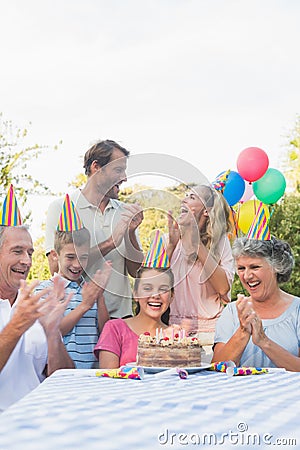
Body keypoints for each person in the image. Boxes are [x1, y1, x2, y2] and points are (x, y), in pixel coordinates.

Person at [45, 139, 144, 319]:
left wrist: (130, 234)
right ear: (96, 167)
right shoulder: (61, 208)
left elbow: (136, 272)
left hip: (121, 319)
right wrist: (110, 243)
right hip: (78, 320)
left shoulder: (124, 212)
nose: (125, 178)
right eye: (118, 170)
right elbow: (55, 268)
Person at [0, 225, 74, 412]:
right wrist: (17, 325)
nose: (27, 261)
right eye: (17, 251)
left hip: (38, 419)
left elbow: (64, 379)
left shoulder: (35, 306)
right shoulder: (26, 313)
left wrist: (52, 334)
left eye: (30, 253)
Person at [212, 236, 300, 371]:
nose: (246, 276)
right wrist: (242, 332)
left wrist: (264, 341)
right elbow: (216, 368)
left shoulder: (297, 310)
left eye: (254, 267)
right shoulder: (231, 311)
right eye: (241, 268)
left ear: (277, 266)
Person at [36, 218, 112, 368]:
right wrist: (84, 305)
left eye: (83, 257)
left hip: (90, 375)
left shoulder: (90, 291)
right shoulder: (43, 290)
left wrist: (100, 295)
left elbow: (105, 333)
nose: (77, 264)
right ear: (55, 255)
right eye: (70, 257)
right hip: (59, 375)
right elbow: (53, 333)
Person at [167, 184, 235, 342]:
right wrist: (171, 246)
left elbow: (224, 288)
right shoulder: (171, 239)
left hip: (210, 334)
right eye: (185, 196)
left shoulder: (220, 242)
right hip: (175, 331)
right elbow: (155, 285)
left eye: (192, 197)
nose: (183, 200)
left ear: (206, 211)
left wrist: (197, 244)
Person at [94, 265, 175, 369]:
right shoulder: (115, 328)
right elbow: (108, 376)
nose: (155, 295)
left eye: (163, 289)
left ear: (172, 296)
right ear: (135, 294)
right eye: (147, 288)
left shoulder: (176, 337)